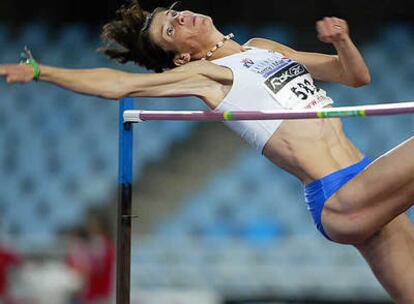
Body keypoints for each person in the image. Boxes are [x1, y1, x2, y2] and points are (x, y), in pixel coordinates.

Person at [1, 1, 413, 302]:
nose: (179, 17)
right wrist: (42, 72)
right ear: (181, 55)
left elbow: (355, 76)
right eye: (170, 28)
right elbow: (118, 85)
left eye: (174, 12)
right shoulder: (206, 76)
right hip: (341, 200)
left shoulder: (265, 48)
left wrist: (342, 41)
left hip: (362, 182)